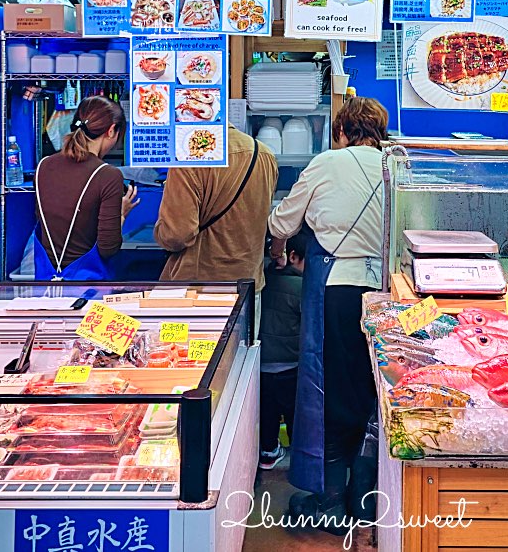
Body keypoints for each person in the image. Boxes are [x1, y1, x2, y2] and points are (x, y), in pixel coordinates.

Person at [267, 95, 387, 526]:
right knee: (372, 390)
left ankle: (332, 499)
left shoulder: (326, 163)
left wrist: (278, 250)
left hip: (336, 290)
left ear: (341, 130)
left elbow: (281, 222)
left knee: (331, 390)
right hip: (385, 292)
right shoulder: (395, 165)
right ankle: (366, 495)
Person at [154, 126, 278, 291]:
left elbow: (177, 235)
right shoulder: (264, 154)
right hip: (248, 283)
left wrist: (160, 231)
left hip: (199, 287)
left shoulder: (188, 157)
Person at [32, 95, 139, 281]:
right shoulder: (108, 175)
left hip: (45, 283)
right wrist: (121, 214)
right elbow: (108, 248)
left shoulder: (44, 166)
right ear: (111, 131)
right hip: (87, 286)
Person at [258, 232, 305, 470]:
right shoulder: (301, 287)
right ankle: (299, 456)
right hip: (291, 364)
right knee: (294, 412)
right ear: (293, 256)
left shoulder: (260, 281)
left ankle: (268, 452)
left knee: (267, 412)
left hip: (261, 364)